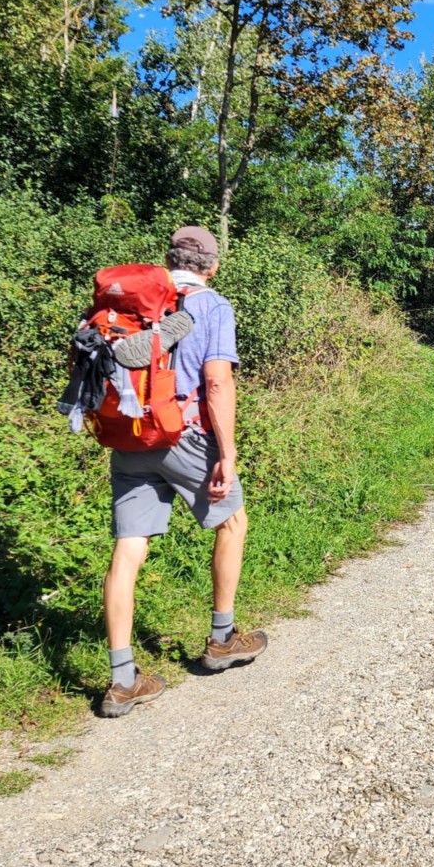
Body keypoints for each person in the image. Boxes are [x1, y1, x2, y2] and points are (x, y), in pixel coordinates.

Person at [100, 225, 268, 717]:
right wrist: (228, 453)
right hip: (186, 433)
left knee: (129, 548)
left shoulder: (138, 305)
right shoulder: (212, 305)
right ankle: (222, 639)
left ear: (167, 258)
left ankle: (122, 679)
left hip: (132, 436)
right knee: (232, 521)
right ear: (212, 265)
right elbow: (217, 382)